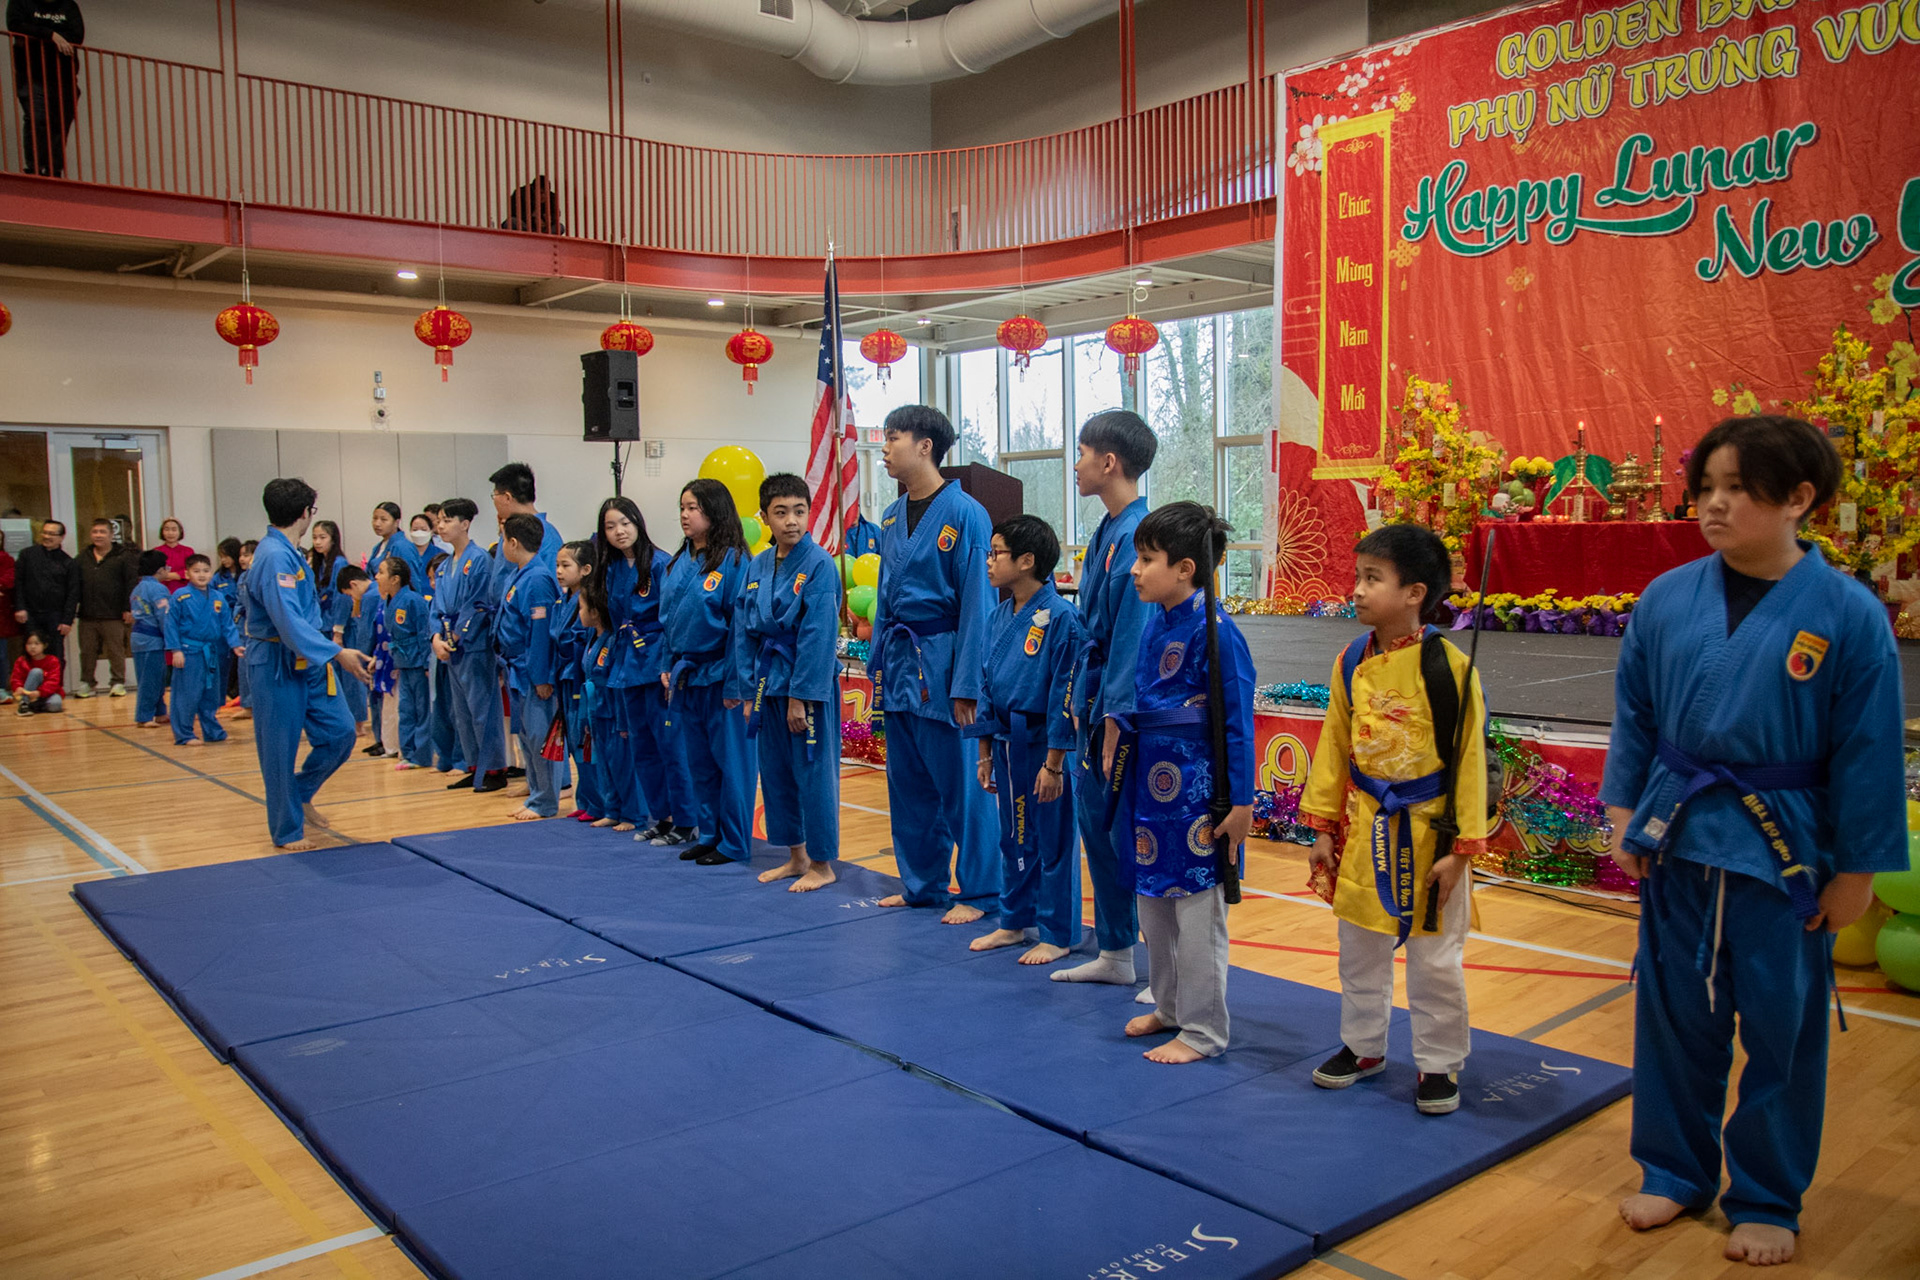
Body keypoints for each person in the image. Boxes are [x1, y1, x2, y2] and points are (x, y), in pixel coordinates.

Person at [1602, 416, 1907, 1267]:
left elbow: (1870, 752)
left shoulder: (1848, 614)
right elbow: (1635, 715)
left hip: (1788, 854)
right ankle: (1674, 1169)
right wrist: (1624, 813)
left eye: (1737, 488)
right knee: (1673, 1019)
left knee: (1782, 1031)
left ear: (1799, 498)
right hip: (1678, 835)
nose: (1715, 504)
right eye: (1705, 488)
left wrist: (1857, 873)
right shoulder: (1668, 597)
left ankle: (1769, 1196)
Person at [1300, 523, 1488, 1112]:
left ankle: (1439, 1062)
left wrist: (1460, 851)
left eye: (1372, 578)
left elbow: (1470, 762)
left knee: (1435, 961)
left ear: (1414, 593)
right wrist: (1322, 827)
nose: (1356, 589)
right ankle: (1363, 1047)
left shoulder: (1450, 668)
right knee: (1358, 949)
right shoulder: (1350, 660)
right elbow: (1334, 745)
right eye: (1358, 576)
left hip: (1433, 838)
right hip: (1365, 829)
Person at [1116, 502, 1254, 1063]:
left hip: (1200, 796)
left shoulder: (1218, 633)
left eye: (1147, 559)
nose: (1136, 570)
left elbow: (1238, 724)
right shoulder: (1156, 624)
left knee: (1198, 916)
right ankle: (1168, 1006)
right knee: (1153, 907)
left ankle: (1203, 1030)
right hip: (1151, 790)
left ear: (1185, 569)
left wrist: (1241, 801)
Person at [869, 405, 1000, 923]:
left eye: (893, 438)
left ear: (925, 446)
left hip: (944, 664)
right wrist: (876, 664)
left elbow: (979, 605)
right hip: (900, 663)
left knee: (962, 788)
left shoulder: (967, 514)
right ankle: (922, 884)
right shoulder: (890, 515)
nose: (884, 448)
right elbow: (884, 598)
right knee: (908, 786)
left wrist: (969, 684)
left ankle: (981, 892)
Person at [1057, 408, 1160, 987]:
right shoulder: (1107, 530)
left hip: (1117, 711)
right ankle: (1116, 952)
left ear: (1109, 461)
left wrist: (1116, 719)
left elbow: (1130, 640)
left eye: (1081, 453)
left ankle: (1160, 966)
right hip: (1091, 699)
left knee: (1125, 833)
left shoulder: (1137, 537)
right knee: (1096, 827)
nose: (1076, 465)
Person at [967, 515, 1085, 963]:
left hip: (1043, 743)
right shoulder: (999, 616)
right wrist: (983, 753)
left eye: (996, 553)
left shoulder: (1062, 618)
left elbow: (1064, 694)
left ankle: (1057, 932)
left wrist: (1054, 764)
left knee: (1053, 841)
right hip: (1005, 741)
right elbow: (985, 685)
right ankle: (1014, 921)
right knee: (1013, 837)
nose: (989, 562)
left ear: (1027, 561)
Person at [243, 477, 372, 851]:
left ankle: (300, 793)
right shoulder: (273, 555)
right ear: (305, 513)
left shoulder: (292, 553)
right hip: (276, 658)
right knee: (279, 748)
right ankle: (287, 830)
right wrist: (337, 652)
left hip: (309, 656)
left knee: (341, 732)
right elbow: (287, 620)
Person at [733, 473, 843, 891]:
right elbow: (744, 632)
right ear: (764, 517)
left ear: (809, 513)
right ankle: (796, 857)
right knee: (776, 772)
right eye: (781, 513)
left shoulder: (820, 564)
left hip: (805, 686)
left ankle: (822, 863)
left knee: (813, 774)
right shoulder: (758, 565)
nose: (791, 521)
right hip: (768, 684)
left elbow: (818, 635)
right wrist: (748, 692)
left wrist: (801, 697)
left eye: (799, 511)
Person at [661, 478, 756, 866]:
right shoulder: (678, 561)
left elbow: (741, 629)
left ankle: (734, 841)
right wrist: (666, 666)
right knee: (699, 763)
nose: (685, 515)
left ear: (714, 512)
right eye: (682, 508)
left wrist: (736, 683)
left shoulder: (735, 561)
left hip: (720, 673)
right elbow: (667, 622)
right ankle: (710, 833)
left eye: (693, 508)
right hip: (687, 675)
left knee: (731, 764)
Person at [592, 497, 683, 836]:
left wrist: (668, 663)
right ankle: (660, 818)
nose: (619, 531)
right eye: (610, 526)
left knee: (668, 745)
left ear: (638, 523)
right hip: (626, 662)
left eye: (625, 523)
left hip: (655, 658)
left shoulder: (660, 563)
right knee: (641, 746)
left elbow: (671, 618)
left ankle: (684, 819)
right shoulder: (612, 568)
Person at [429, 498, 506, 794]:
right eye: (439, 520)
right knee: (460, 712)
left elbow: (478, 604)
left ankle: (494, 768)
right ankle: (474, 767)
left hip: (473, 645)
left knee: (482, 709)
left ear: (465, 524)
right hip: (450, 647)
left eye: (447, 520)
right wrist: (436, 638)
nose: (440, 526)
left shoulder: (479, 560)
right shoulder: (444, 566)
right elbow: (436, 608)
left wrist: (455, 636)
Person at [495, 513, 562, 822]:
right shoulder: (520, 574)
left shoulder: (537, 579)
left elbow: (541, 633)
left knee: (539, 736)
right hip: (515, 668)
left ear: (513, 542)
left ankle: (546, 801)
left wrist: (541, 676)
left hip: (532, 670)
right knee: (526, 736)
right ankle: (536, 794)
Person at [162, 553, 243, 745]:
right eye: (196, 571)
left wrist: (235, 644)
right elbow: (170, 624)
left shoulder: (217, 597)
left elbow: (227, 624)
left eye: (206, 571)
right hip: (189, 651)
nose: (201, 575)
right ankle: (184, 734)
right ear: (187, 573)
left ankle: (213, 732)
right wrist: (176, 650)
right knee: (187, 694)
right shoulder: (180, 596)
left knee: (210, 694)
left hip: (212, 651)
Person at [8, 0, 83, 178]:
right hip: (32, 74)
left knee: (60, 122)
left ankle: (53, 169)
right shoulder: (21, 2)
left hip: (63, 76)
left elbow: (77, 35)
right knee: (37, 118)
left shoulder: (68, 5)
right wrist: (51, 35)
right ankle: (35, 167)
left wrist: (42, 34)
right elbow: (16, 25)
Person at [551, 541, 598, 819]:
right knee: (574, 742)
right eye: (557, 565)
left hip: (581, 677)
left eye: (565, 565)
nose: (559, 571)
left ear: (586, 569)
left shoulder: (591, 598)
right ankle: (585, 801)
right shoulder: (562, 601)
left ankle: (598, 802)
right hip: (565, 677)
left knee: (586, 743)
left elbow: (582, 640)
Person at [376, 555, 432, 770]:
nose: (376, 577)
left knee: (422, 710)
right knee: (406, 709)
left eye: (381, 572)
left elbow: (424, 633)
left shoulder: (413, 600)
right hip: (402, 661)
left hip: (417, 661)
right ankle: (407, 752)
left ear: (395, 579)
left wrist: (426, 663)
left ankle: (422, 756)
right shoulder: (389, 601)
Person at [72, 518, 134, 697]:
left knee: (115, 650)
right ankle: (87, 683)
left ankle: (117, 682)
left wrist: (128, 608)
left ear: (111, 534)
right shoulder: (83, 557)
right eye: (95, 532)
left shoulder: (123, 556)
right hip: (88, 614)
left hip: (114, 614)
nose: (98, 535)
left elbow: (130, 583)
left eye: (102, 532)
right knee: (87, 651)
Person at [579, 592, 621, 827]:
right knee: (603, 762)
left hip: (610, 708)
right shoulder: (593, 638)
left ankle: (632, 814)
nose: (579, 614)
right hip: (595, 708)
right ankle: (611, 809)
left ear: (595, 613)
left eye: (581, 608)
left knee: (619, 763)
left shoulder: (612, 640)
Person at [423, 550, 466, 776]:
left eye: (435, 578)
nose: (433, 583)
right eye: (430, 579)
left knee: (456, 710)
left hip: (456, 654)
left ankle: (461, 759)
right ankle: (445, 758)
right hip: (437, 657)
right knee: (438, 710)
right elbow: (432, 627)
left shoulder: (456, 599)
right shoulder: (435, 602)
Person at [14, 520, 75, 653]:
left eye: (51, 534)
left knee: (55, 653)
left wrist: (67, 620)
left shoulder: (68, 562)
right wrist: (20, 607)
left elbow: (73, 593)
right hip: (30, 614)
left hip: (55, 616)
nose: (47, 536)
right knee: (31, 652)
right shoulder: (27, 555)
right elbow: (18, 582)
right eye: (45, 533)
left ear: (61, 537)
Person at [127, 549, 171, 726]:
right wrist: (171, 639)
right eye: (167, 568)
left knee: (152, 677)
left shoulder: (138, 588)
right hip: (151, 639)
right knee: (151, 680)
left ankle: (160, 712)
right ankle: (144, 716)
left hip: (138, 637)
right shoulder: (158, 589)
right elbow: (164, 616)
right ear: (160, 570)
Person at [331, 565, 375, 740]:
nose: (351, 598)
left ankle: (360, 725)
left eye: (350, 595)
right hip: (368, 642)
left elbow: (367, 629)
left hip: (368, 643)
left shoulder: (370, 597)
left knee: (356, 681)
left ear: (353, 585)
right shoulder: (370, 595)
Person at [232, 539, 258, 719]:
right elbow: (238, 603)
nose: (242, 559)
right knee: (243, 666)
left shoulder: (261, 575)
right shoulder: (242, 577)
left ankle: (261, 704)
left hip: (259, 628)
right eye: (241, 555)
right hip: (244, 627)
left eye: (246, 555)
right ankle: (247, 705)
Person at [10, 629, 64, 714]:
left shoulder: (52, 660)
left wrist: (40, 693)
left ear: (45, 645)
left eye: (37, 643)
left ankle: (36, 705)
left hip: (47, 694)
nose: (33, 647)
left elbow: (53, 681)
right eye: (29, 644)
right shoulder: (21, 661)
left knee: (55, 705)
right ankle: (24, 703)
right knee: (36, 672)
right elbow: (16, 678)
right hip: (28, 694)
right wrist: (18, 687)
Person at [367, 501, 422, 582]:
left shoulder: (403, 547)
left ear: (396, 522)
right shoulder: (378, 547)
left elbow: (411, 579)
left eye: (383, 519)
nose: (377, 524)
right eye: (375, 518)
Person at [309, 519, 348, 621]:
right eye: (314, 537)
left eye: (322, 537)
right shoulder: (320, 562)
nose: (317, 542)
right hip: (322, 617)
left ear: (333, 540)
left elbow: (342, 596)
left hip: (335, 619)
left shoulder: (340, 563)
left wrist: (339, 625)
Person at [154, 517, 194, 592]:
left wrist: (168, 575)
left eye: (174, 529)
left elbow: (191, 572)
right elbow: (154, 573)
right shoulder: (156, 551)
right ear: (162, 532)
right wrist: (178, 575)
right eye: (167, 529)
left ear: (180, 532)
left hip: (184, 590)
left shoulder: (188, 551)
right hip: (161, 590)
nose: (170, 533)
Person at [0, 530, 18, 679]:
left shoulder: (6, 559)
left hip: (1, 615)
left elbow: (9, 579)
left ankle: (1, 686)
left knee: (1, 655)